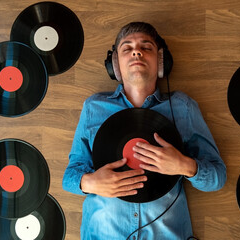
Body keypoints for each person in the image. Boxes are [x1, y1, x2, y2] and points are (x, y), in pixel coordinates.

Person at [62, 22, 226, 240]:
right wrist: (89, 182)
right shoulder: (94, 107)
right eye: (127, 48)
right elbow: (69, 176)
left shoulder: (182, 107)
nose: (136, 51)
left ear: (161, 62)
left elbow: (218, 176)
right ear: (116, 66)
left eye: (146, 47)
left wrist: (185, 165)